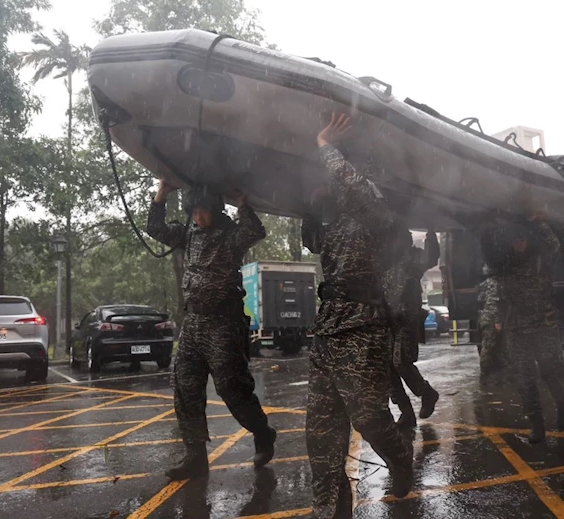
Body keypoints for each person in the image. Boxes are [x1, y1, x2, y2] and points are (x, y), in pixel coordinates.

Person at [301, 113, 413, 518]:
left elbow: (351, 186)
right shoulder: (334, 221)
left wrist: (324, 145)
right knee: (321, 434)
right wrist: (307, 203)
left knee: (369, 417)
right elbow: (312, 237)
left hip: (363, 326)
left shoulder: (373, 210)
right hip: (328, 327)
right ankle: (333, 510)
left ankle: (400, 459)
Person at [146, 182, 276, 480]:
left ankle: (263, 433)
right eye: (193, 211)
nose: (198, 217)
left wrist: (243, 205)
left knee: (232, 388)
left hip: (223, 323)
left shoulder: (230, 234)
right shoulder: (187, 233)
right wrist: (162, 194)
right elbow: (155, 227)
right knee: (186, 388)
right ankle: (195, 456)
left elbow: (256, 232)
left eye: (203, 210)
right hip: (193, 323)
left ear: (215, 209)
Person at [496, 215, 564, 444]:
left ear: (528, 241)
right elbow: (501, 297)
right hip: (517, 329)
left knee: (549, 372)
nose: (518, 244)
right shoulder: (507, 266)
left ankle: (562, 401)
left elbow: (554, 244)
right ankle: (537, 426)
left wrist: (537, 221)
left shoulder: (541, 260)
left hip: (543, 325)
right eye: (514, 241)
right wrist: (499, 319)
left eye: (521, 240)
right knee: (524, 379)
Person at [384, 225, 440, 428]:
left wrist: (431, 233)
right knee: (387, 367)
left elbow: (431, 257)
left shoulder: (411, 257)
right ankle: (406, 412)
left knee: (401, 362)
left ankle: (427, 393)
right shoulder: (384, 262)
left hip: (407, 318)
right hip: (387, 320)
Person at [477, 266, 509, 378]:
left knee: (491, 346)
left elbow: (480, 299)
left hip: (485, 318)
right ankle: (485, 375)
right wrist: (498, 321)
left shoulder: (485, 283)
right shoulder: (495, 284)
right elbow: (493, 303)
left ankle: (489, 373)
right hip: (492, 320)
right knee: (489, 347)